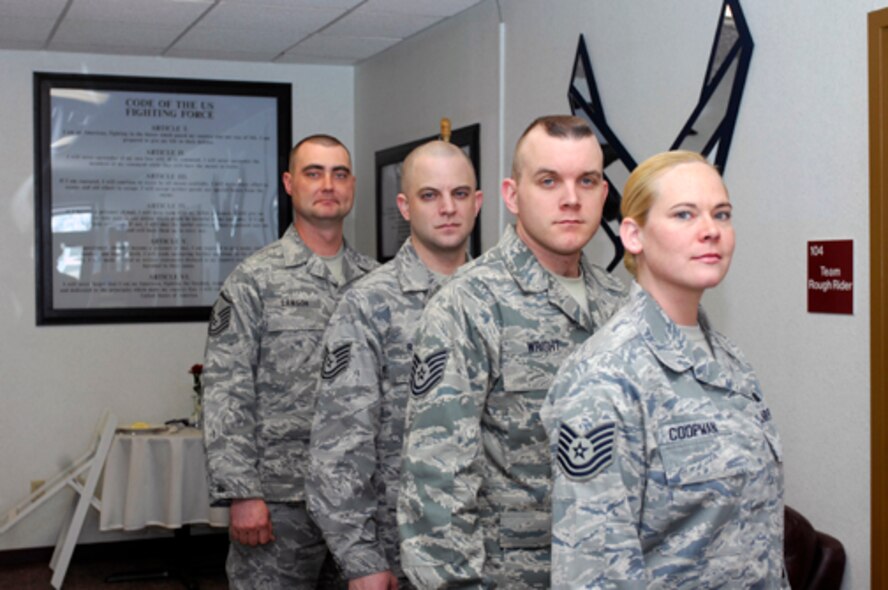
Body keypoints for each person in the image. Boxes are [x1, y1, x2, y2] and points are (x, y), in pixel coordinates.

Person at [397, 115, 627, 589]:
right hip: (511, 575)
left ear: (604, 194)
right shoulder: (468, 305)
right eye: (548, 181)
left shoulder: (620, 304)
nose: (571, 198)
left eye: (587, 181)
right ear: (512, 194)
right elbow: (437, 482)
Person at [542, 150, 787, 589]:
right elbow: (593, 576)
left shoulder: (730, 363)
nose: (710, 230)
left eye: (722, 214)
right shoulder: (605, 378)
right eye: (684, 214)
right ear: (633, 235)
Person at [202, 134, 379, 590]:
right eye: (313, 173)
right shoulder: (254, 281)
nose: (328, 184)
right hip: (281, 501)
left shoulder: (376, 281)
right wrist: (242, 493)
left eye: (339, 174)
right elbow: (226, 390)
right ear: (289, 183)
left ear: (352, 185)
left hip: (361, 500)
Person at [306, 140, 483, 590]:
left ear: (478, 202)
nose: (447, 208)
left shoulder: (497, 299)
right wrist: (361, 558)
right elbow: (338, 445)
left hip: (489, 552)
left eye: (460, 194)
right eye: (430, 195)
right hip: (401, 551)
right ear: (404, 206)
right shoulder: (367, 304)